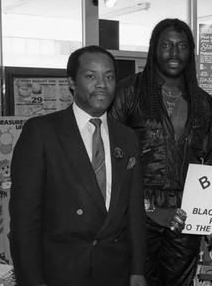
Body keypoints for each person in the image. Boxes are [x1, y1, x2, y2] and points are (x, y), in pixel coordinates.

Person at [9, 45, 147, 286]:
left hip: (114, 271)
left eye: (110, 76)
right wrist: (32, 280)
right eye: (91, 76)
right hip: (60, 273)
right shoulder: (41, 133)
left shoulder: (127, 138)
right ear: (71, 82)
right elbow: (24, 220)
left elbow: (134, 213)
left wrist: (137, 271)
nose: (102, 84)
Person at [109, 18, 212, 286]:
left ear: (190, 53)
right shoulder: (127, 92)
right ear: (154, 48)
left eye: (182, 46)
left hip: (185, 213)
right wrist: (148, 208)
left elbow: (207, 163)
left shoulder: (202, 101)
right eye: (166, 44)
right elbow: (112, 159)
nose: (174, 52)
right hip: (136, 212)